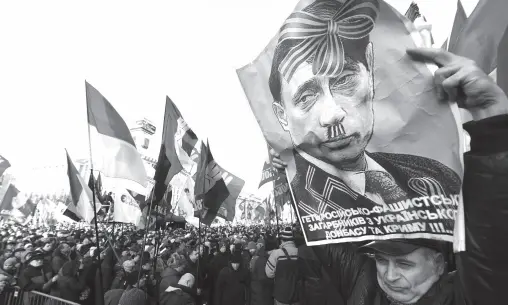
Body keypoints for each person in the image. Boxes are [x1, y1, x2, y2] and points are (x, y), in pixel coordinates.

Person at [270, 41, 508, 305]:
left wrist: (492, 123)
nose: (389, 275)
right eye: (381, 260)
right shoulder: (365, 283)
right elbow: (327, 234)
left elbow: (491, 243)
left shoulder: (469, 297)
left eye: (405, 264)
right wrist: (294, 168)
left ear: (439, 264)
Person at [268, 0, 461, 221]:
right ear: (283, 116)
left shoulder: (435, 175)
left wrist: (488, 124)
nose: (332, 114)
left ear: (369, 67)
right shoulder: (304, 198)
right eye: (306, 97)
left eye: (344, 80)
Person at [266, 227, 300, 305]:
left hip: (281, 293)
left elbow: (269, 274)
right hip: (297, 293)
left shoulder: (276, 253)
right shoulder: (300, 252)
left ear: (282, 240)